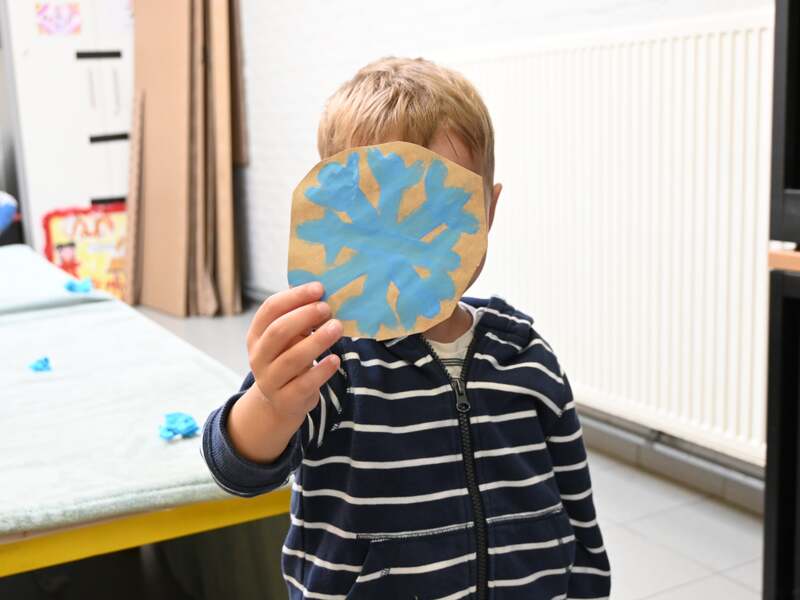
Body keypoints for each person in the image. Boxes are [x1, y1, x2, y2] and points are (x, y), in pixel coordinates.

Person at [203, 57, 611, 599]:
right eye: (378, 210)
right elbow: (238, 466)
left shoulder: (525, 355)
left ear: (488, 210)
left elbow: (575, 505)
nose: (405, 236)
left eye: (434, 208)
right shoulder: (333, 359)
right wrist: (273, 404)